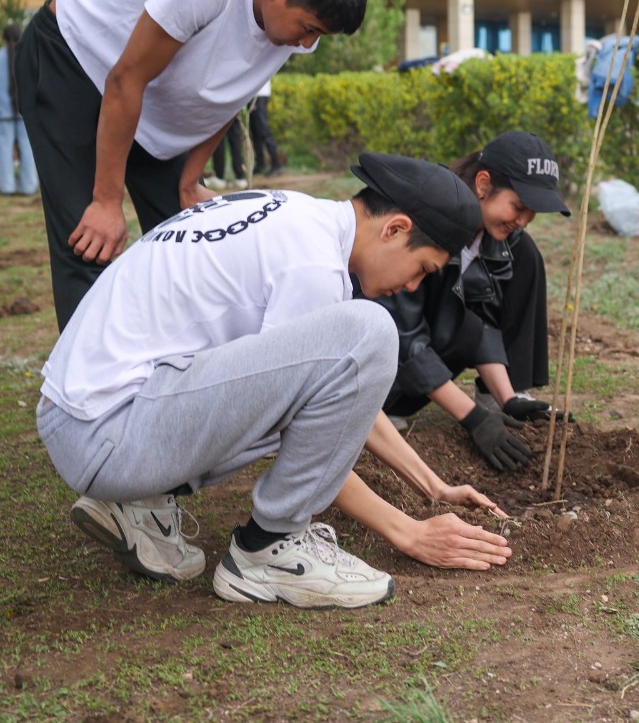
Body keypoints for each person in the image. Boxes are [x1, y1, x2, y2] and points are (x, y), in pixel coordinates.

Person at [36, 152, 513, 607]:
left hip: (87, 421)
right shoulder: (314, 266)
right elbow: (300, 422)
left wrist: (431, 486)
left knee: (350, 346)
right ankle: (271, 548)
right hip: (110, 437)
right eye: (422, 269)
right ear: (396, 228)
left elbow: (339, 404)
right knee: (370, 330)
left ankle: (138, 505)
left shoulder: (299, 218)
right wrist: (407, 531)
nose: (412, 286)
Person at [16, 0, 369, 329]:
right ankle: (88, 387)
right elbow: (125, 80)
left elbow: (229, 94)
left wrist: (189, 180)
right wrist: (106, 200)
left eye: (317, 34)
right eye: (308, 29)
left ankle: (172, 372)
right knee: (91, 240)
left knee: (190, 238)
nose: (307, 44)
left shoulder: (292, 18)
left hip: (142, 94)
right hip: (73, 57)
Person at [371, 132, 570, 472]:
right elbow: (403, 336)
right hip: (378, 364)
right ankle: (381, 408)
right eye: (518, 206)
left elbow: (478, 325)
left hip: (428, 349)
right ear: (482, 183)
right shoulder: (424, 224)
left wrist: (507, 399)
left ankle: (502, 395)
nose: (522, 220)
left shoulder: (492, 236)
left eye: (531, 212)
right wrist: (474, 419)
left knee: (525, 253)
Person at [0, 23, 38, 196]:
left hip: (2, 112)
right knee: (28, 149)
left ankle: (7, 186)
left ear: (2, 38)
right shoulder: (30, 56)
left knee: (4, 149)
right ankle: (29, 185)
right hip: (26, 112)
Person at [248, 79, 285, 176]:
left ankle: (276, 163)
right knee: (255, 131)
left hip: (260, 94)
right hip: (252, 95)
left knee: (263, 129)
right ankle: (260, 164)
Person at [206, 112, 248, 190]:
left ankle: (219, 177)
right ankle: (240, 177)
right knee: (235, 139)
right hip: (234, 107)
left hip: (219, 110)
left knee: (219, 140)